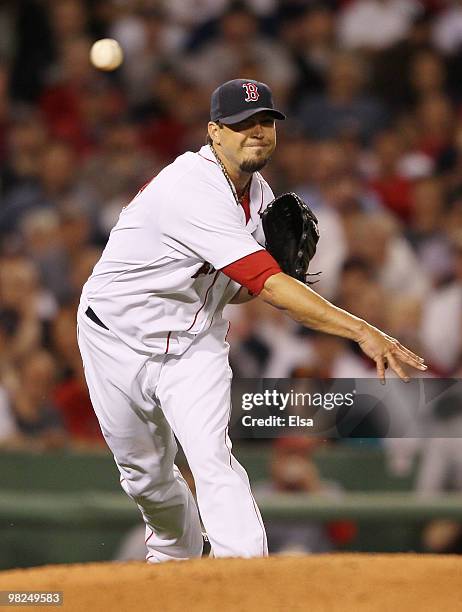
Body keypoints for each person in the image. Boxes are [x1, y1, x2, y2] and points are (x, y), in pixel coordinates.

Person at [76, 78, 427, 562]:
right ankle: (172, 560)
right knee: (146, 476)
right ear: (214, 132)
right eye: (242, 124)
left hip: (192, 342)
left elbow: (237, 292)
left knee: (211, 456)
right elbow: (268, 288)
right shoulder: (190, 187)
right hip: (114, 339)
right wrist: (362, 329)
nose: (256, 132)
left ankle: (244, 576)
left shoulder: (259, 196)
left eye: (265, 121)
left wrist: (271, 280)